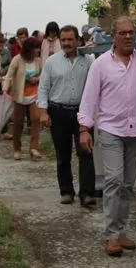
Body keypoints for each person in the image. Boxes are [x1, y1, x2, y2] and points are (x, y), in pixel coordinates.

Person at [77, 16, 136, 257]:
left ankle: (121, 230)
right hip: (111, 129)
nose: (128, 36)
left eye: (131, 32)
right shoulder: (101, 64)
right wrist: (84, 129)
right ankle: (111, 235)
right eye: (122, 33)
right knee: (113, 180)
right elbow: (89, 97)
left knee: (127, 184)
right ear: (113, 37)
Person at [37, 24, 96, 206]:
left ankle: (87, 193)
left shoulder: (89, 61)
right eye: (63, 40)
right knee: (62, 154)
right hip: (58, 111)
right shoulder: (51, 62)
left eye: (70, 39)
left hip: (82, 113)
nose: (66, 43)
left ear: (78, 40)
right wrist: (43, 112)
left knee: (85, 152)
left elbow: (95, 87)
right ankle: (66, 191)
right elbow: (43, 87)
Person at [5, 37, 43, 160]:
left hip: (34, 95)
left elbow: (43, 75)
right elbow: (9, 75)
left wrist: (37, 79)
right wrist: (5, 89)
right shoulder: (17, 59)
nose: (38, 50)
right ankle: (17, 149)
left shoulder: (38, 61)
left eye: (38, 48)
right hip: (20, 95)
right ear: (29, 49)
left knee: (36, 119)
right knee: (18, 122)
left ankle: (34, 148)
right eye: (36, 48)